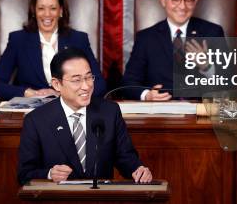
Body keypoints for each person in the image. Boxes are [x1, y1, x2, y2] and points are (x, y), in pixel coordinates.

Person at [18, 48, 152, 184]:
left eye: (88, 77)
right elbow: (24, 174)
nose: (86, 86)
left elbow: (125, 157)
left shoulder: (109, 112)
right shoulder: (36, 121)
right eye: (77, 80)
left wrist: (137, 169)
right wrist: (49, 174)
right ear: (57, 84)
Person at [0, 0, 106, 100]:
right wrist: (29, 93)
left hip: (69, 108)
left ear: (60, 11)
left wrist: (67, 94)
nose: (47, 14)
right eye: (41, 8)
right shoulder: (18, 40)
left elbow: (100, 84)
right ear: (34, 11)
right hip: (31, 110)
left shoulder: (79, 39)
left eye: (53, 8)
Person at [122, 0, 225, 100]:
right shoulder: (146, 38)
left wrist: (207, 67)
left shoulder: (213, 32)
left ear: (195, 1)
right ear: (163, 0)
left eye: (188, 0)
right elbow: (128, 82)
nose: (182, 6)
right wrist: (147, 95)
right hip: (160, 113)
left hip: (199, 111)